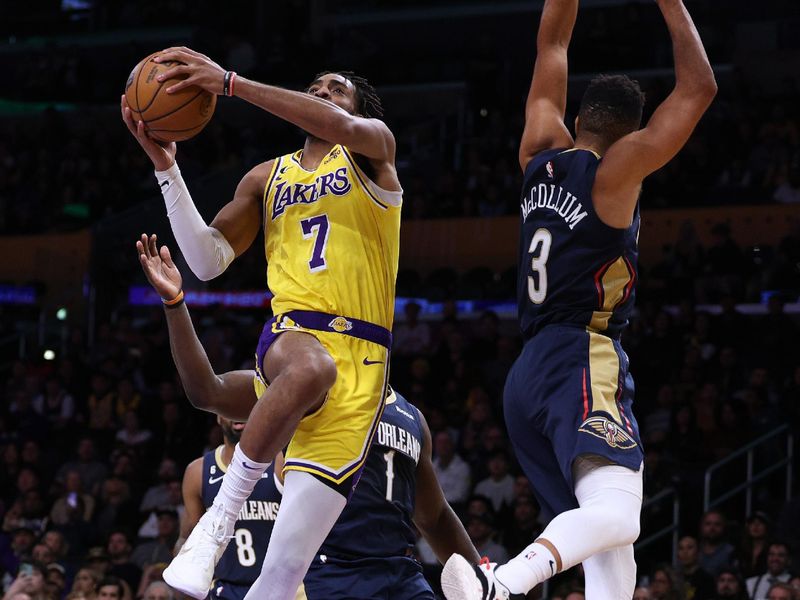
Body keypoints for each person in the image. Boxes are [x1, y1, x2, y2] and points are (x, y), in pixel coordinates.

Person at [440, 0, 716, 597]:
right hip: (580, 358)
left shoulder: (538, 152)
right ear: (629, 132)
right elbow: (699, 89)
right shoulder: (616, 174)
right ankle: (500, 583)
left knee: (611, 557)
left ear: (581, 116)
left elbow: (553, 47)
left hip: (527, 376)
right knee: (621, 517)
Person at [122, 48, 402, 600]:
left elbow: (340, 126)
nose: (322, 92)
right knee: (310, 367)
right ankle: (220, 520)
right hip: (295, 335)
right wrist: (167, 168)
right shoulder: (266, 177)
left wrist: (230, 83)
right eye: (315, 85)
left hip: (365, 369)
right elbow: (207, 260)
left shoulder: (374, 150)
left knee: (282, 576)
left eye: (336, 87)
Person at [137, 235, 479, 599]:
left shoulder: (411, 417)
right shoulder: (305, 386)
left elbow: (436, 517)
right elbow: (208, 391)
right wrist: (174, 304)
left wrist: (485, 578)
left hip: (401, 574)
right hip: (327, 575)